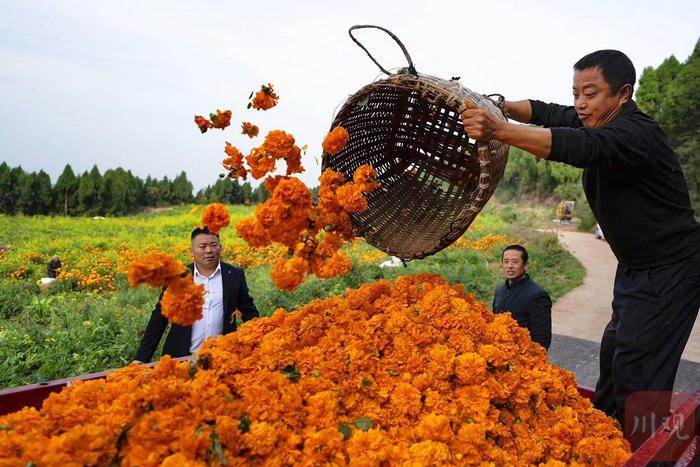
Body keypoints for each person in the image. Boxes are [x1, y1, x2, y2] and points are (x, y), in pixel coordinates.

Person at [462, 49, 700, 442]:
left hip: (672, 267)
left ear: (623, 94)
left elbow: (579, 147)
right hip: (636, 267)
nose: (580, 104)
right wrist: (499, 106)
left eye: (590, 94)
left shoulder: (634, 134)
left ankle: (643, 451)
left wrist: (498, 129)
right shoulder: (597, 116)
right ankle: (601, 440)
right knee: (613, 358)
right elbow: (548, 113)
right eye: (576, 93)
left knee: (639, 374)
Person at [134, 227, 259, 363]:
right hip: (182, 357)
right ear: (191, 251)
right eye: (202, 246)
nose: (209, 250)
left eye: (213, 245)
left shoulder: (234, 274)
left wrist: (260, 340)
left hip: (221, 357)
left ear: (220, 247)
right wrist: (141, 359)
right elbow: (160, 317)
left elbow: (248, 310)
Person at [492, 245, 552, 350]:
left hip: (521, 355)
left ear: (525, 265)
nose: (509, 266)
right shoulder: (500, 290)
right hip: (497, 352)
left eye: (515, 262)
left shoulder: (537, 295)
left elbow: (542, 340)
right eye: (506, 261)